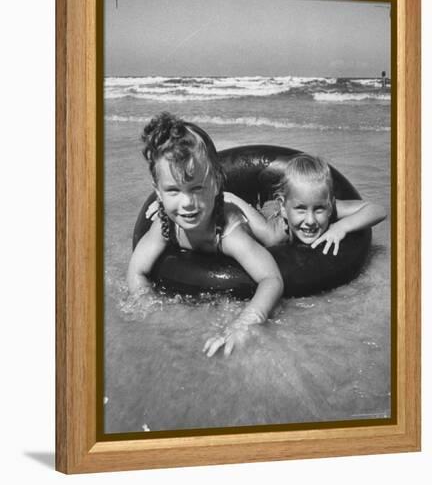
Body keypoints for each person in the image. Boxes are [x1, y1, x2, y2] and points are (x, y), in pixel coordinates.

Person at [127, 113, 284, 357]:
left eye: (197, 188)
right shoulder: (165, 225)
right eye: (173, 190)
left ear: (216, 182)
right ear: (158, 192)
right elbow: (137, 268)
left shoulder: (229, 234)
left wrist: (244, 324)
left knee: (274, 238)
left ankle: (237, 199)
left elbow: (271, 279)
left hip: (233, 214)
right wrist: (143, 301)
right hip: (215, 202)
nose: (187, 203)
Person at [224, 153, 387, 255]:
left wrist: (341, 227)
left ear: (330, 205)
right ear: (284, 208)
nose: (310, 220)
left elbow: (378, 210)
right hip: (265, 214)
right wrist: (231, 198)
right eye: (301, 209)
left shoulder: (332, 208)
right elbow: (241, 208)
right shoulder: (274, 235)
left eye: (319, 209)